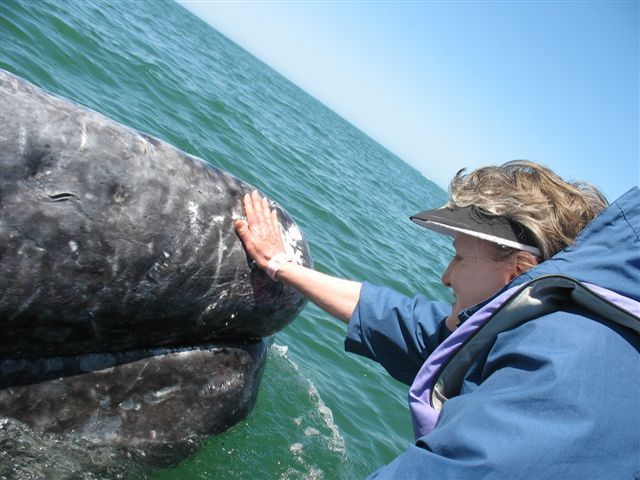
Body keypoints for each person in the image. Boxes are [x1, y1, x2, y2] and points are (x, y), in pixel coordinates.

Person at [234, 160, 640, 479]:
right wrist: (282, 266)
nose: (446, 276)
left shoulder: (558, 372)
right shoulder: (555, 322)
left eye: (459, 257)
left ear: (518, 269)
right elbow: (404, 321)